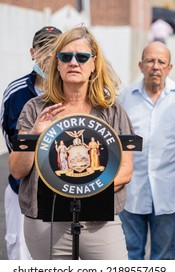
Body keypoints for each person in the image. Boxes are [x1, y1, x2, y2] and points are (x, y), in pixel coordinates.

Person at [8, 26, 134, 260]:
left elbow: (125, 170)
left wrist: (81, 190)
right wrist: (35, 134)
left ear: (94, 64)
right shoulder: (34, 108)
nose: (73, 62)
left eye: (82, 57)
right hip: (47, 223)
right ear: (57, 64)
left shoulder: (113, 111)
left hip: (99, 222)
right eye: (65, 57)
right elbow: (16, 170)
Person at [0, 26, 62, 259]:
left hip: (63, 194)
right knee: (21, 257)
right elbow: (11, 141)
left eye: (55, 48)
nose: (48, 54)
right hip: (23, 192)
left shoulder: (72, 91)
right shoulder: (15, 93)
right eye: (43, 48)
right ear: (32, 52)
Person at [118, 41, 175, 260]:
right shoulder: (124, 98)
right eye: (150, 61)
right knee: (130, 255)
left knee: (163, 258)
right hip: (131, 193)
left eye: (161, 62)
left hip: (169, 195)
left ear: (169, 67)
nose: (155, 66)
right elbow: (114, 142)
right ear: (140, 65)